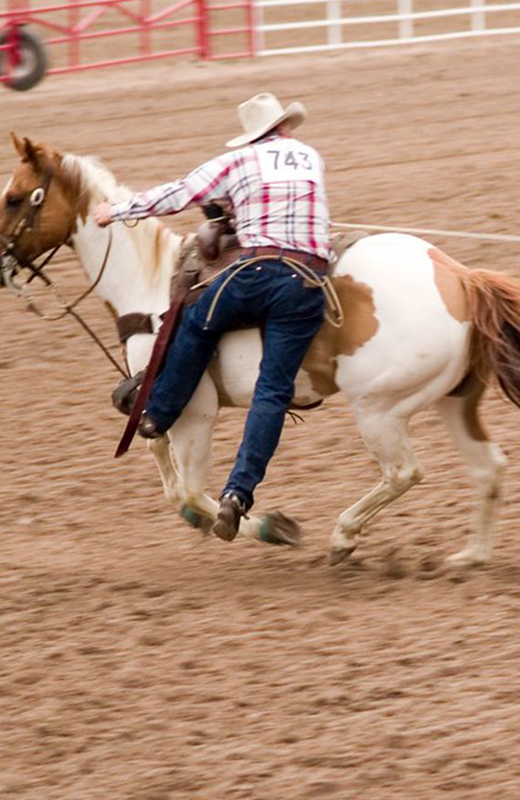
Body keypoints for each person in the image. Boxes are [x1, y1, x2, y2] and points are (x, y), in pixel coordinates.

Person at [94, 93, 331, 542]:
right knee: (273, 390)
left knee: (195, 320)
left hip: (256, 271)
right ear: (283, 128)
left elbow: (179, 194)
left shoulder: (240, 163)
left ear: (252, 136)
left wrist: (117, 211)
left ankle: (158, 413)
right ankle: (238, 494)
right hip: (307, 283)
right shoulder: (310, 156)